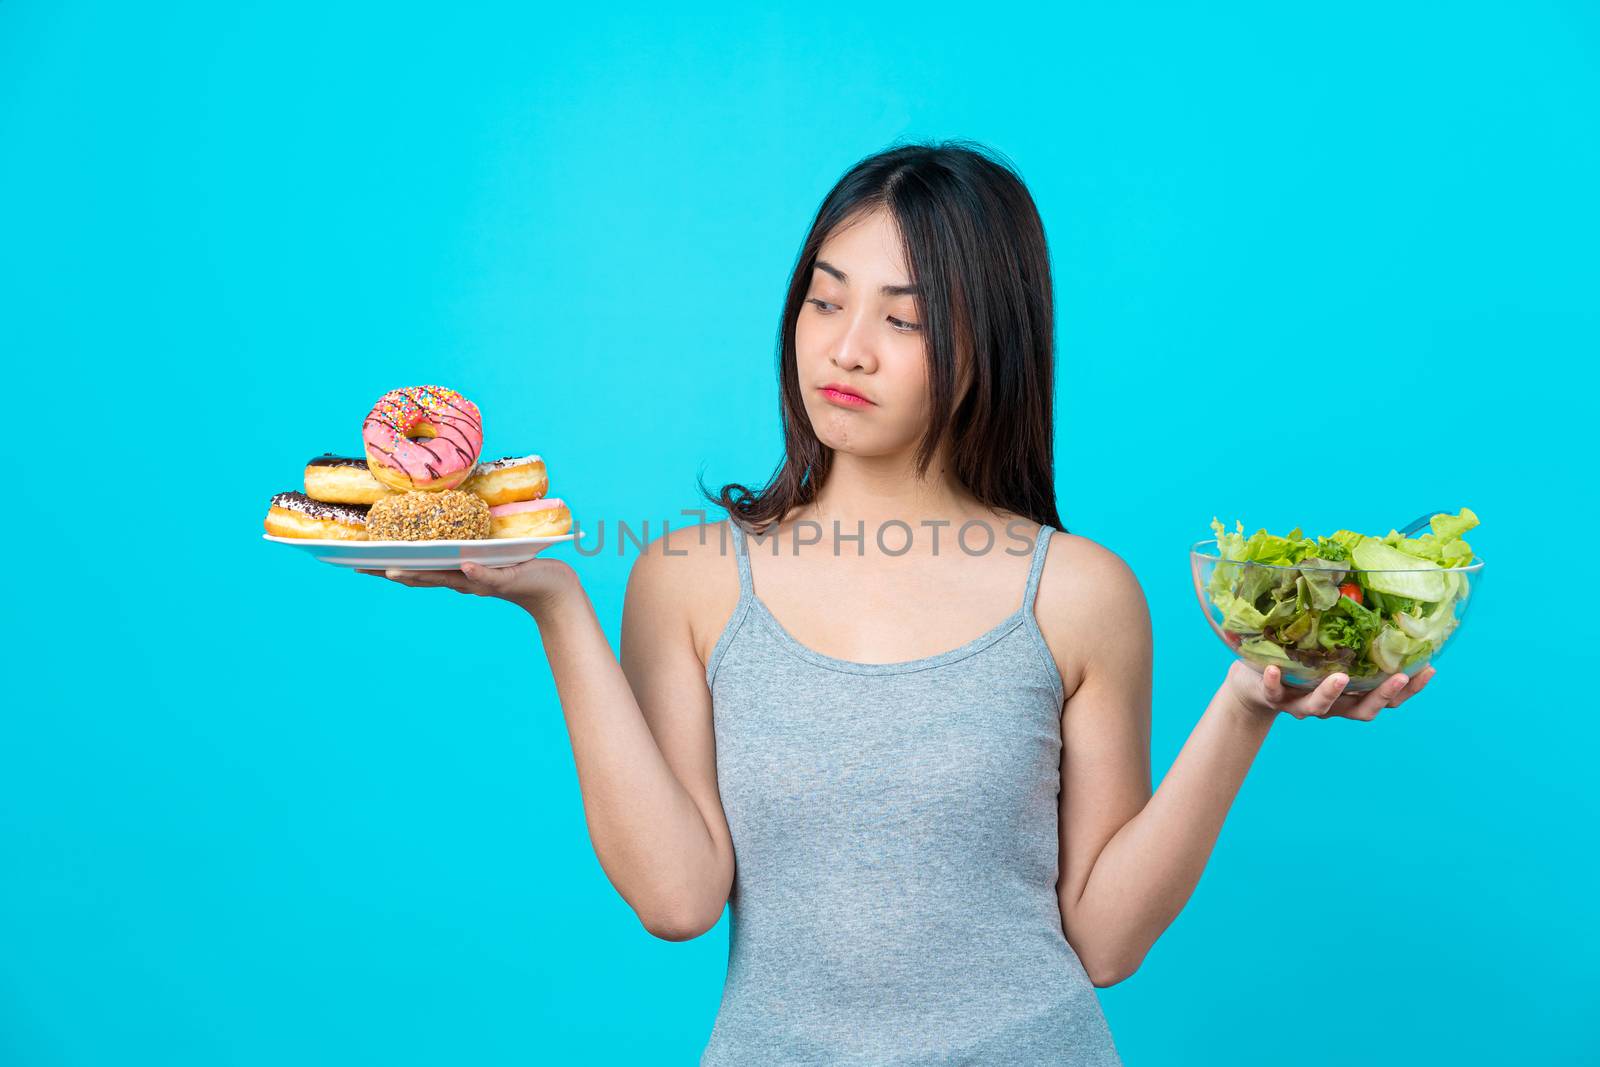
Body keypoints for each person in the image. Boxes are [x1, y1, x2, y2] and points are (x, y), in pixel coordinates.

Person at [363, 139, 1436, 1065]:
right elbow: (677, 898)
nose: (846, 347)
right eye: (825, 299)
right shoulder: (685, 577)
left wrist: (1246, 703)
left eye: (904, 320)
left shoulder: (1077, 590)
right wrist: (556, 607)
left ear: (988, 344)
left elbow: (1104, 940)